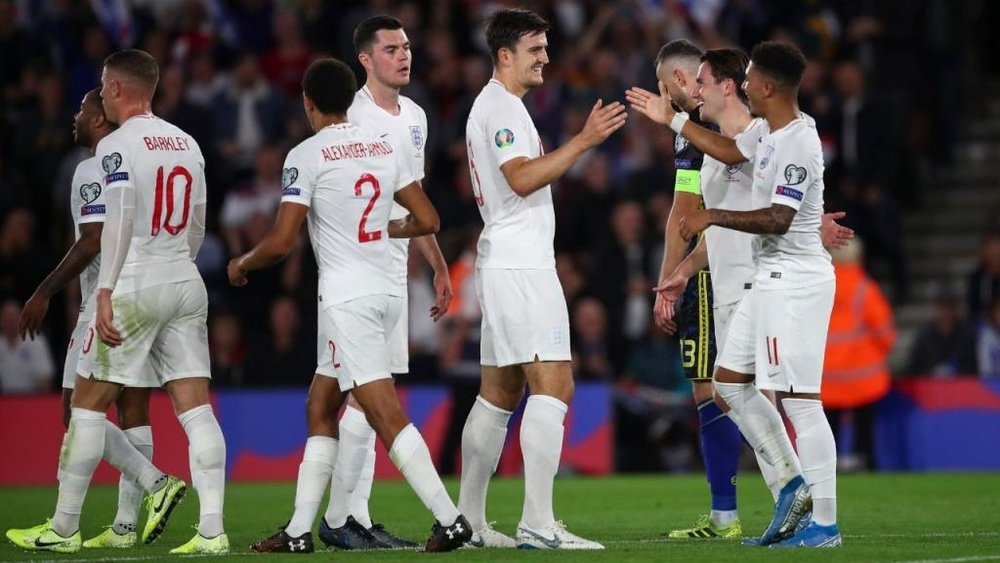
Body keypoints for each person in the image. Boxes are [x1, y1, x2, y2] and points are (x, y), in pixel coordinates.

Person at [235, 57, 470, 554]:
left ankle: (450, 520)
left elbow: (280, 243)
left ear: (308, 102)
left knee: (383, 411)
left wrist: (243, 263)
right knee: (321, 404)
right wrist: (393, 230)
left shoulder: (306, 155)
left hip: (347, 299)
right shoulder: (385, 147)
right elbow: (427, 218)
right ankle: (299, 531)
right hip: (385, 291)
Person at [7, 49, 227, 555]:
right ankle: (212, 531)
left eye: (105, 85)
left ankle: (63, 530)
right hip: (185, 279)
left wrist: (105, 290)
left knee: (85, 411)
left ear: (119, 89)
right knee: (197, 413)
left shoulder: (118, 146)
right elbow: (197, 222)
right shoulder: (187, 142)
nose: (100, 93)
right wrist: (178, 263)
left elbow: (120, 218)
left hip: (133, 282)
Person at [627, 41, 842, 547]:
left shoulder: (791, 139)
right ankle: (792, 489)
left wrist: (712, 217)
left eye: (744, 79)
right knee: (727, 386)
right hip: (759, 277)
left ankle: (820, 517)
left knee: (800, 402)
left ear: (758, 87)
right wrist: (685, 265)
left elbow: (776, 216)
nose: (741, 84)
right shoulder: (758, 136)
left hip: (779, 282)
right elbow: (732, 159)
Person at [458, 8, 625, 550]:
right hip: (522, 265)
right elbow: (522, 177)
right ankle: (537, 521)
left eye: (546, 47)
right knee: (555, 384)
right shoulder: (502, 108)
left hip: (505, 260)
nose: (546, 57)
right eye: (535, 49)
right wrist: (583, 142)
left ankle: (471, 522)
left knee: (500, 392)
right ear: (505, 55)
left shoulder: (498, 104)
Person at [314, 15, 453, 550]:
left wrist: (436, 262)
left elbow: (409, 196)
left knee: (372, 398)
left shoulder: (415, 118)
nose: (404, 55)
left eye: (408, 47)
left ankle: (353, 517)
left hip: (394, 272)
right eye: (391, 48)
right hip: (352, 275)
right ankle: (341, 517)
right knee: (362, 396)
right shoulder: (347, 116)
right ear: (365, 60)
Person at [17, 87, 161, 549]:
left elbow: (93, 239)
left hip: (106, 301)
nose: (75, 117)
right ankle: (123, 527)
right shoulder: (144, 159)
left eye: (82, 109)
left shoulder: (91, 167)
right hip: (147, 293)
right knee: (133, 408)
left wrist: (42, 291)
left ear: (101, 117)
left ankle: (154, 484)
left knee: (76, 411)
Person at [647, 40, 751, 540]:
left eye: (663, 87)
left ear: (682, 83)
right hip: (723, 266)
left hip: (714, 271)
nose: (660, 96)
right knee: (729, 390)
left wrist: (672, 279)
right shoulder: (710, 126)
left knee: (713, 390)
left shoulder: (698, 129)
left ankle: (727, 516)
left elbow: (684, 216)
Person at [822, 238, 895, 471]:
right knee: (865, 433)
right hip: (863, 377)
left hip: (826, 376)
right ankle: (867, 465)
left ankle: (824, 471)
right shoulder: (864, 288)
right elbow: (884, 330)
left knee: (827, 433)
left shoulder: (821, 284)